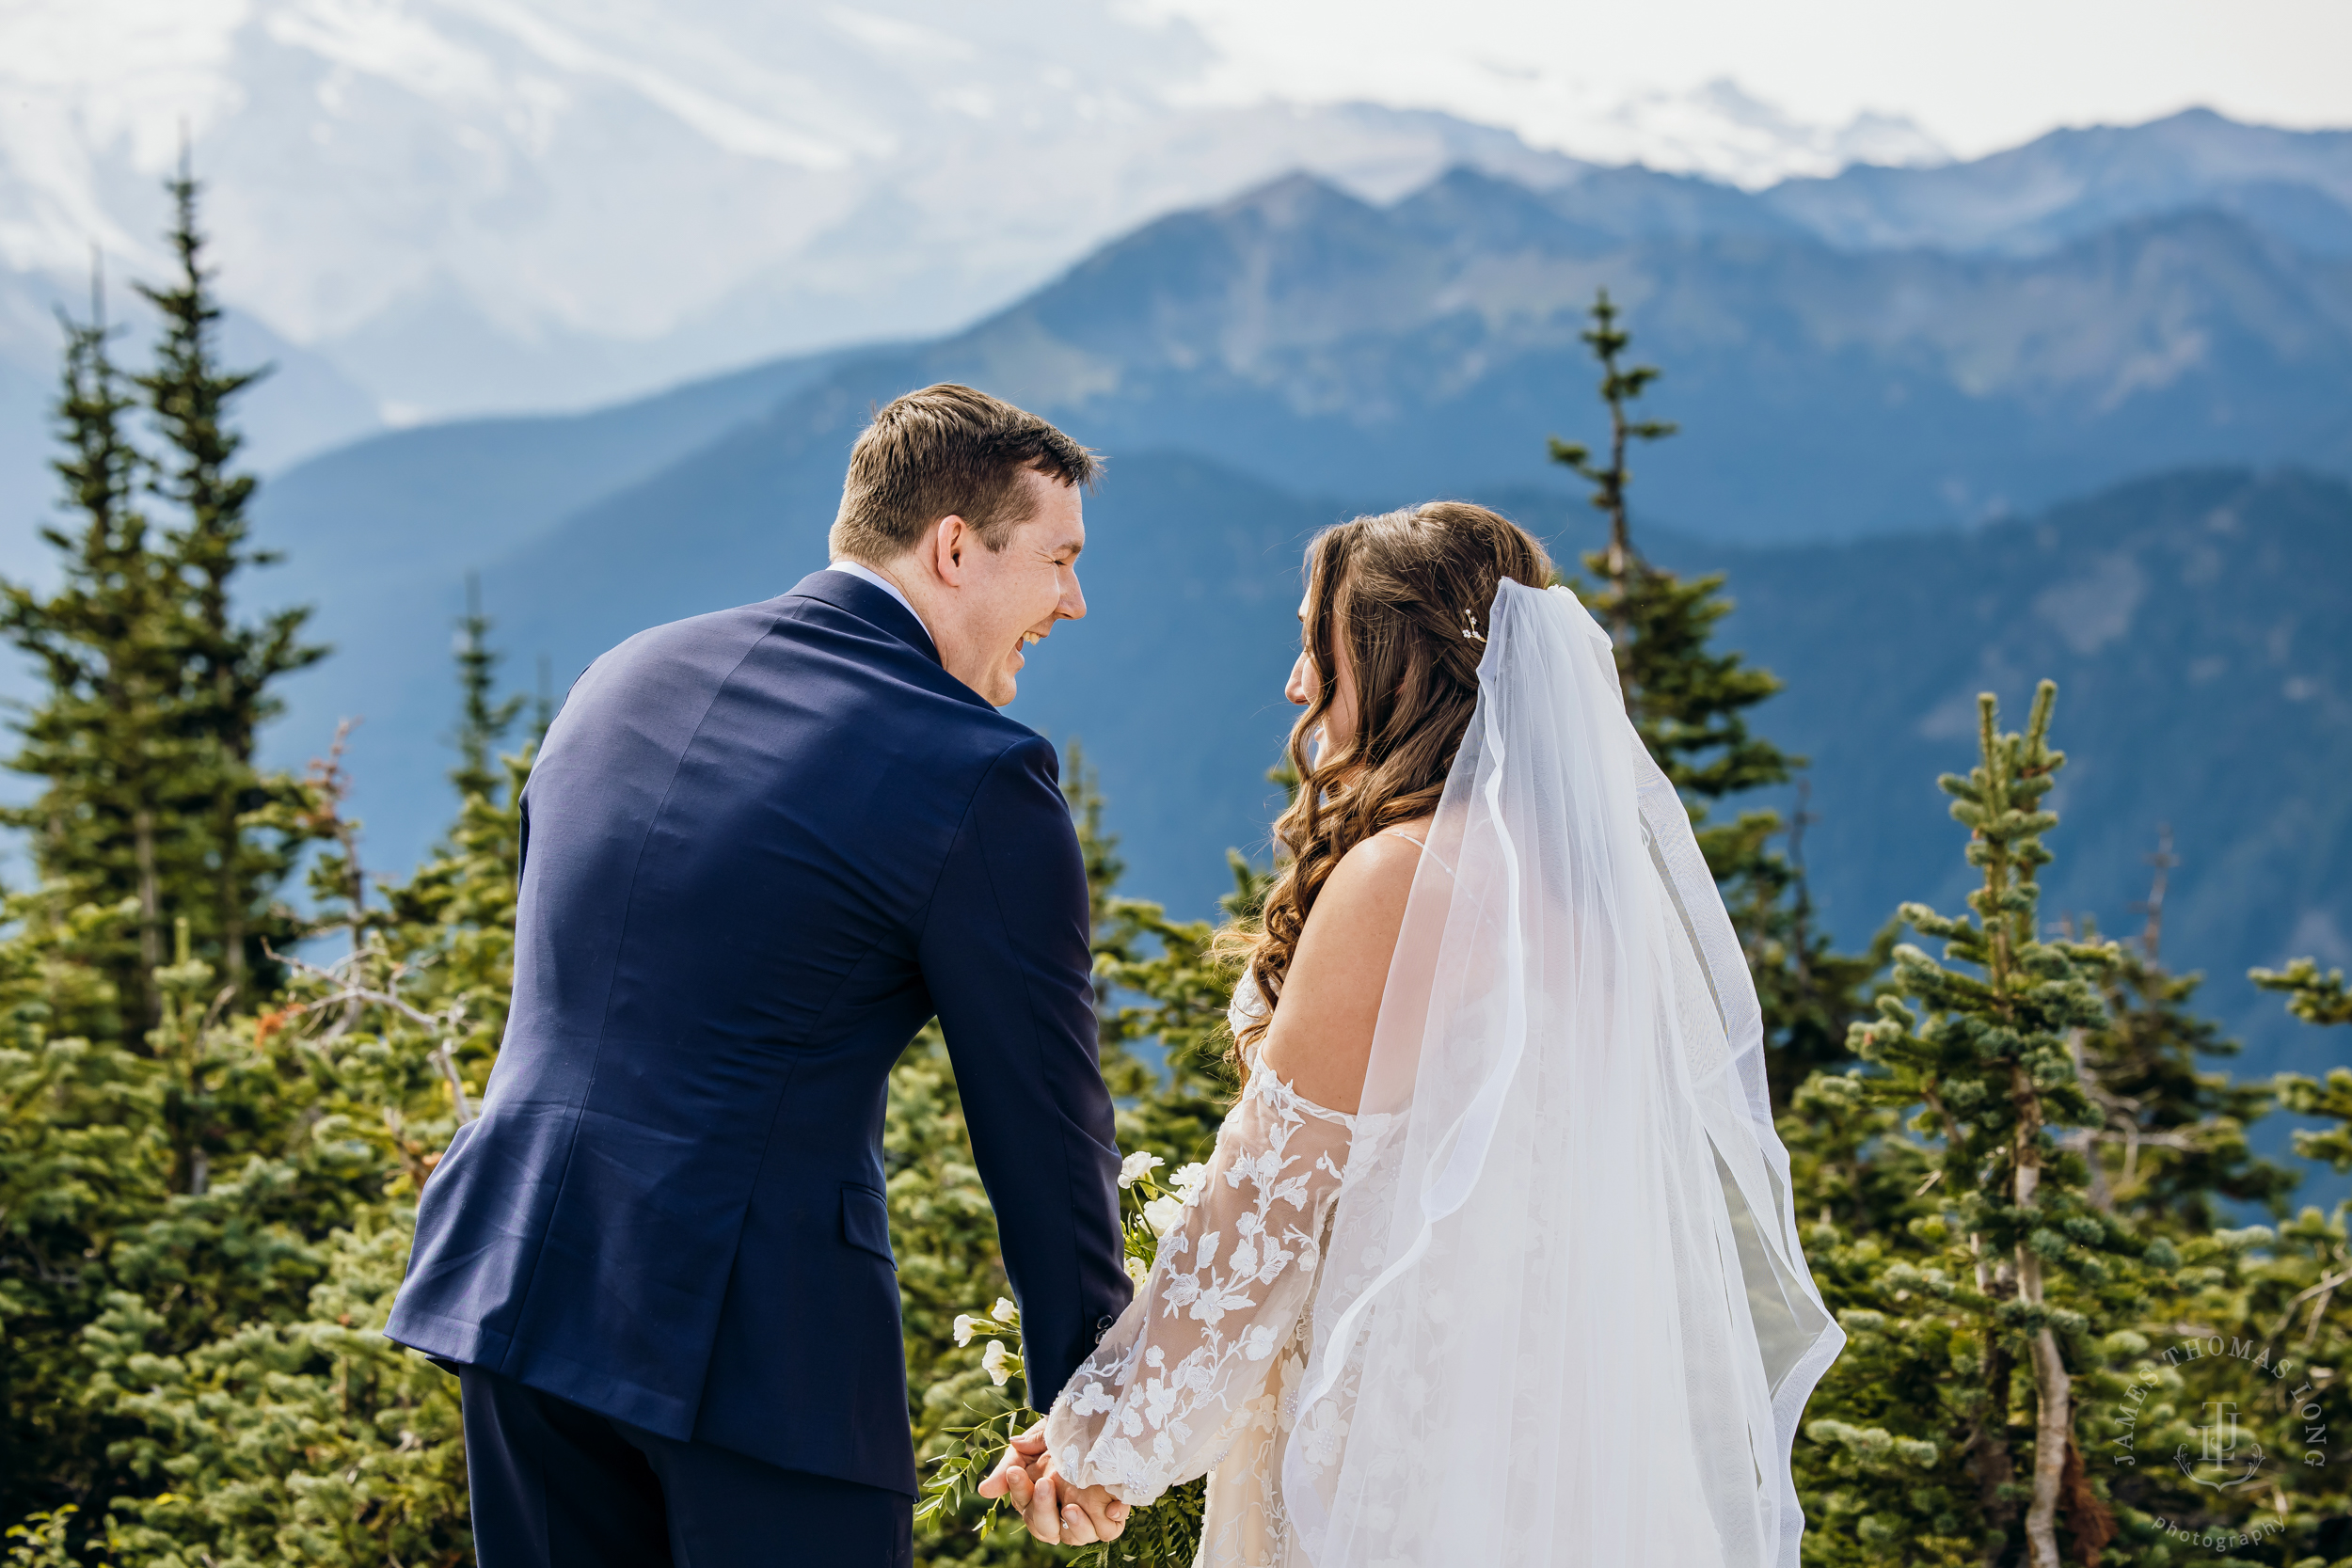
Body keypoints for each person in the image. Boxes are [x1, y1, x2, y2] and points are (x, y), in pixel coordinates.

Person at [985, 501, 1845, 1565]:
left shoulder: (1400, 875)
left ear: (1396, 661)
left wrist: (1097, 1439)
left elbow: (1265, 1201)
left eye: (1317, 642)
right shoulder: (1580, 893)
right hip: (1548, 1411)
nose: (1297, 684)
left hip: (1400, 1420)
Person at [386, 383, 1135, 1566]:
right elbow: (1044, 1128)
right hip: (754, 1346)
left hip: (518, 1291)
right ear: (953, 547)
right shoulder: (975, 770)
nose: (1072, 600)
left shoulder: (617, 677)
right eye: (1057, 558)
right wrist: (1101, 1412)